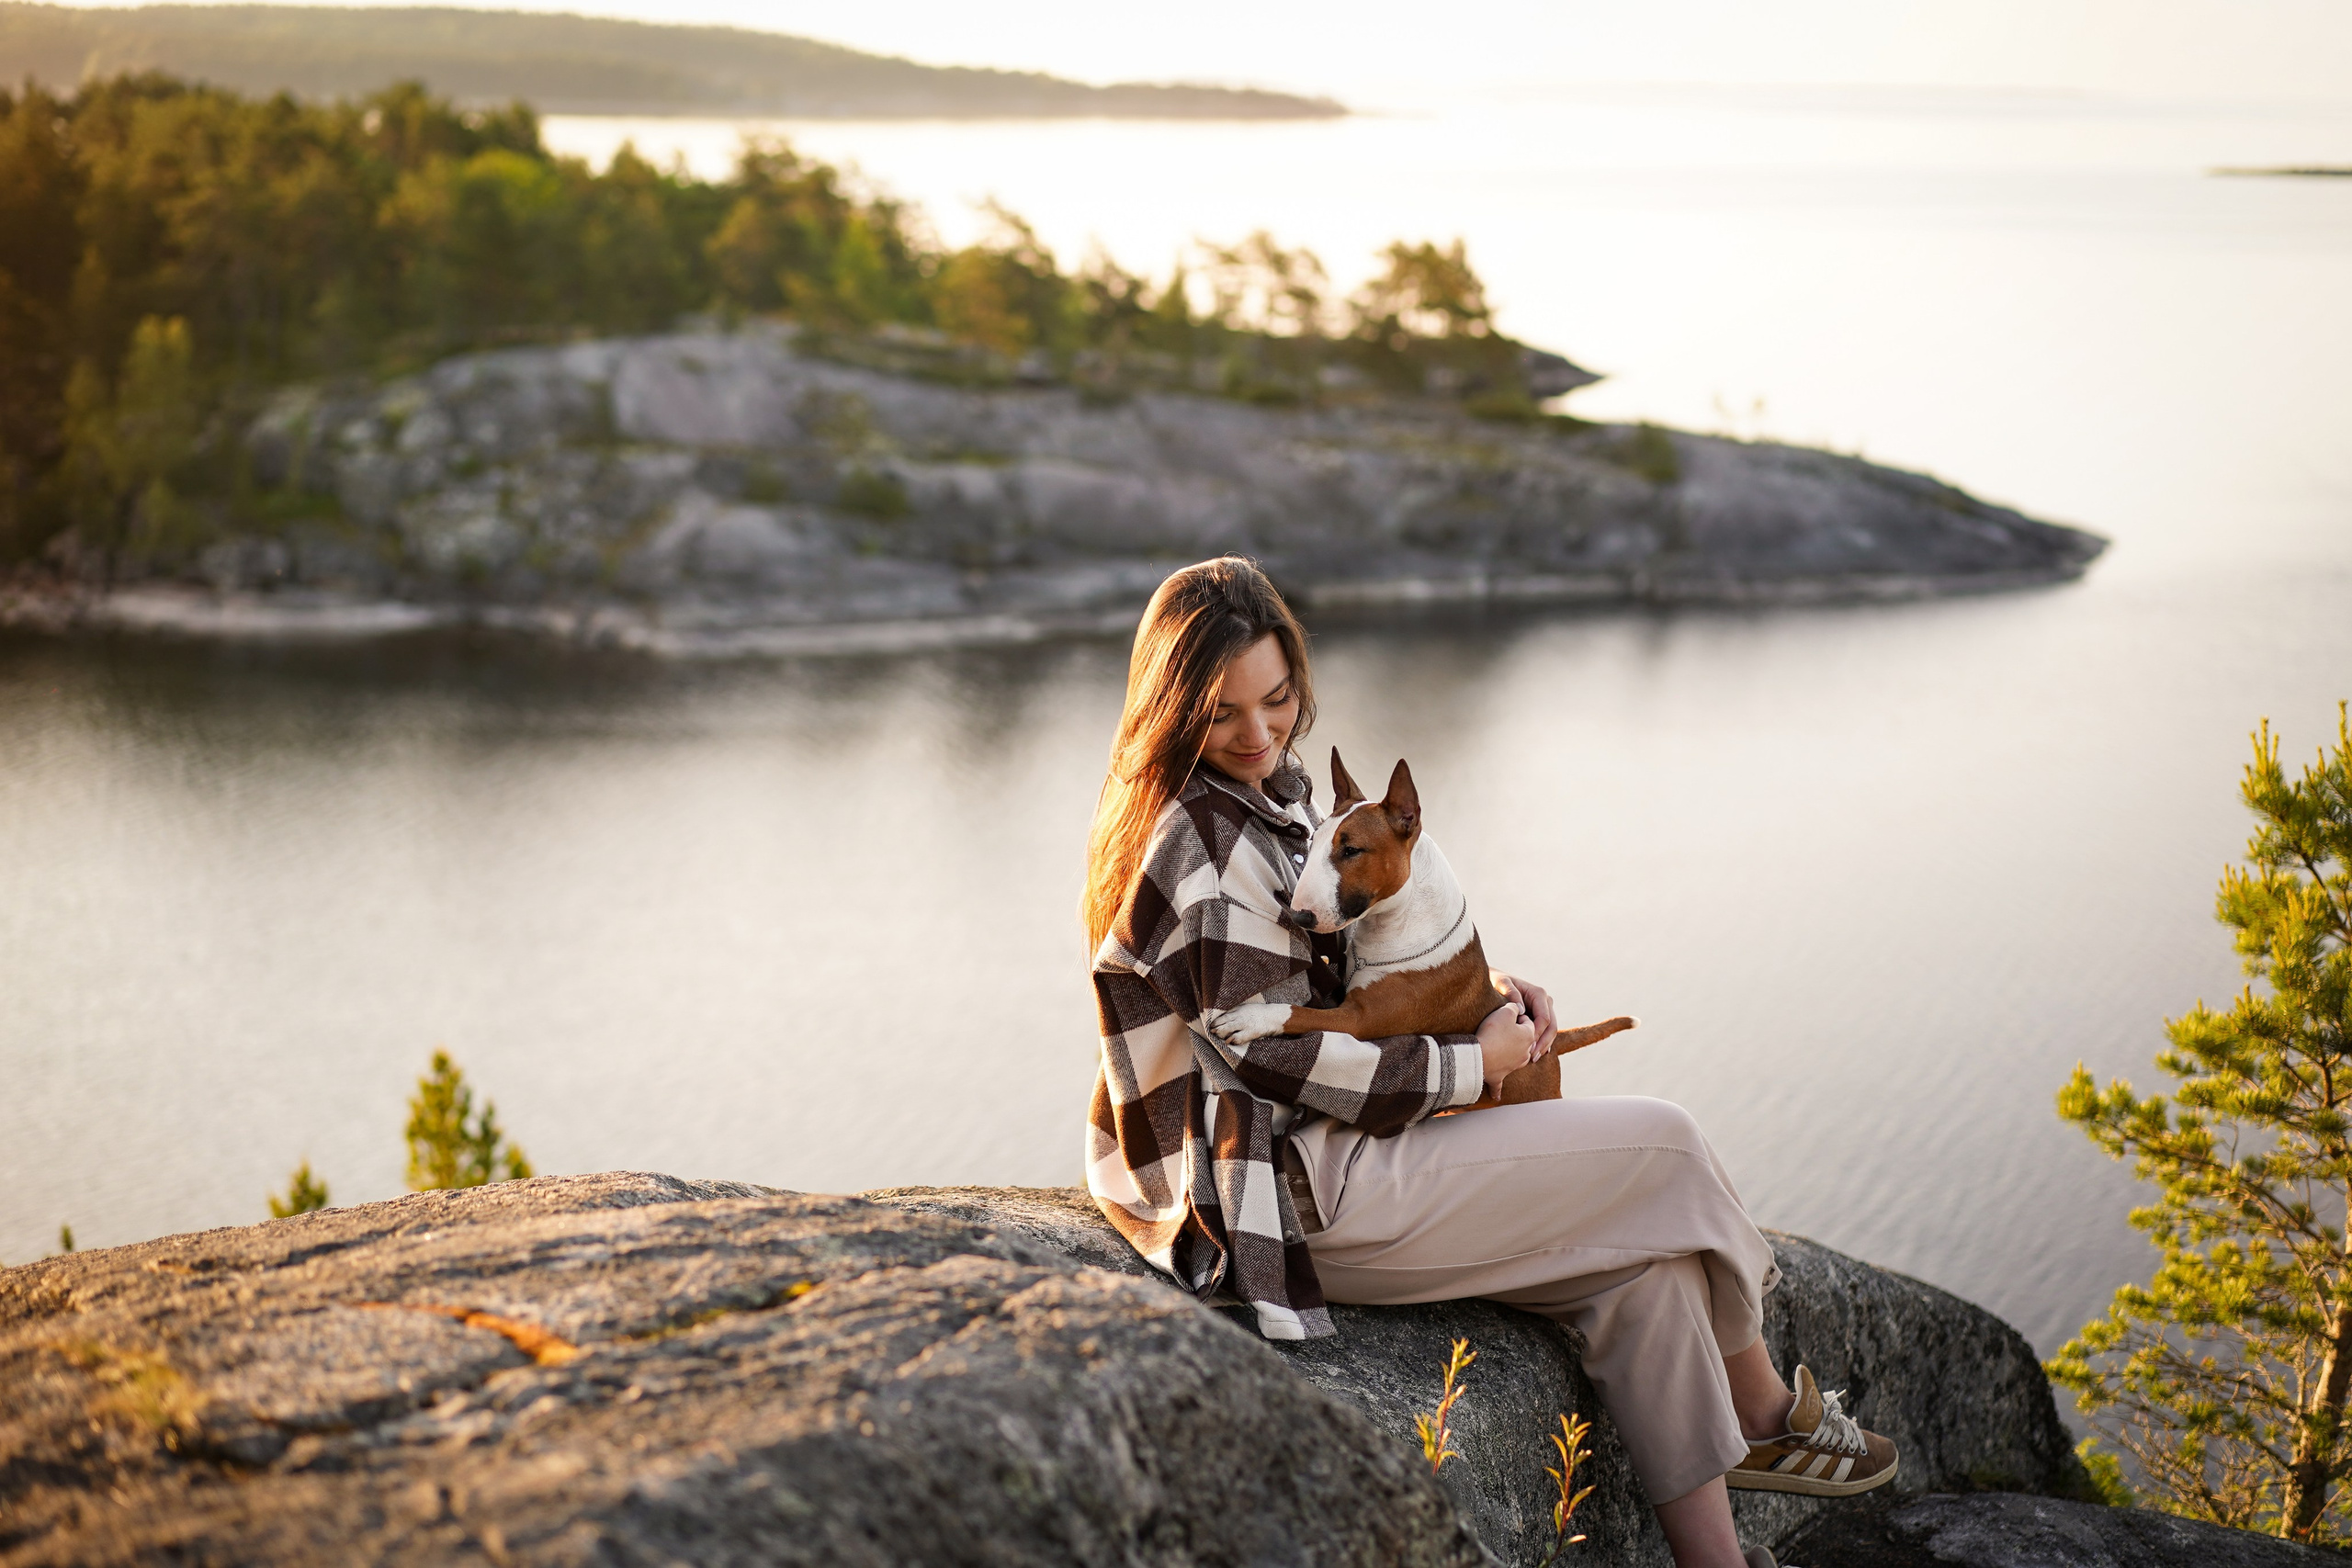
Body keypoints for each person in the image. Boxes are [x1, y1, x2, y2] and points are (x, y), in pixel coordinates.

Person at [1081, 558, 1896, 1568]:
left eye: (1279, 698)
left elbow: (1345, 953)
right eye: (1221, 713)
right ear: (1169, 712)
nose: (1259, 732)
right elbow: (1275, 1053)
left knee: (1641, 1270)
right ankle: (1768, 1409)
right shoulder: (1195, 846)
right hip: (1280, 1192)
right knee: (1668, 1143)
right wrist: (1471, 1064)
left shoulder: (1275, 797)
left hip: (1339, 1151)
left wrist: (1486, 987)